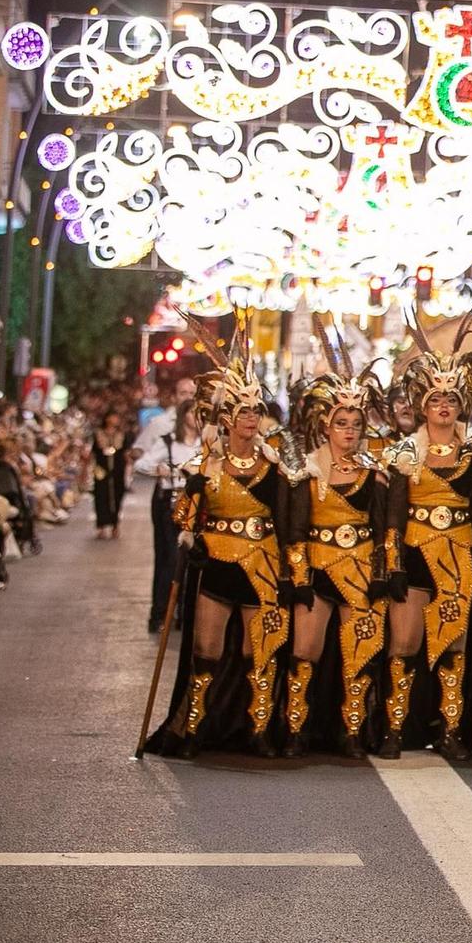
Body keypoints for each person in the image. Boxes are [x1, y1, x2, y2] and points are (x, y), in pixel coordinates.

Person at [153, 317, 291, 757]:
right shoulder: (205, 466)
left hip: (263, 563)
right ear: (227, 418)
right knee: (205, 652)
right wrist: (190, 534)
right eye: (243, 411)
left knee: (260, 653)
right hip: (216, 562)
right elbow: (184, 517)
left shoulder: (277, 465)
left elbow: (288, 521)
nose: (251, 418)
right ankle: (191, 727)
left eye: (256, 411)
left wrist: (293, 567)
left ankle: (260, 729)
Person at [380, 321, 472, 760]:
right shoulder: (404, 452)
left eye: (451, 399)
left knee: (453, 648)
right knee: (404, 644)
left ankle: (449, 730)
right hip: (413, 556)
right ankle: (394, 728)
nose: (444, 406)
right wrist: (393, 565)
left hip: (460, 557)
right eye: (436, 399)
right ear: (423, 406)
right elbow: (392, 515)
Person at [282, 343, 389, 758]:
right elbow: (295, 528)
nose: (349, 430)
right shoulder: (306, 468)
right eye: (341, 422)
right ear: (326, 425)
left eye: (356, 423)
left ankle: (353, 731)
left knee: (360, 650)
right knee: (305, 651)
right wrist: (298, 575)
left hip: (360, 568)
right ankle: (296, 729)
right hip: (317, 567)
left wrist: (383, 572)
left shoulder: (374, 472)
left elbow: (382, 530)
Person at [133, 382, 199, 633]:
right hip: (169, 502)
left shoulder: (206, 442)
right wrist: (159, 470)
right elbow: (142, 461)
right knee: (169, 559)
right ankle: (160, 613)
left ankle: (185, 612)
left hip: (195, 505)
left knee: (192, 560)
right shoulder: (165, 434)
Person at [89, 409, 129, 540]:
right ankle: (101, 525)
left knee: (116, 496)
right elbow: (93, 452)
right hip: (101, 469)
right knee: (100, 495)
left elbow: (125, 452)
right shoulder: (98, 434)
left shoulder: (121, 435)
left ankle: (115, 524)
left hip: (117, 470)